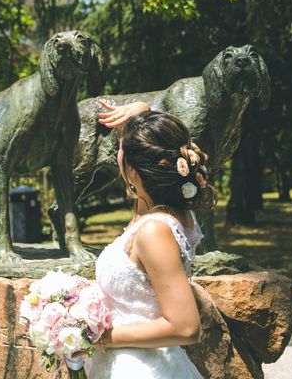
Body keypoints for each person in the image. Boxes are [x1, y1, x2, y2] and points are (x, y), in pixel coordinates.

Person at [86, 100, 214, 378]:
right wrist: (144, 109)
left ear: (132, 171)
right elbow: (170, 141)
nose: (117, 155)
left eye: (120, 150)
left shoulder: (154, 231)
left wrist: (100, 338)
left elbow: (185, 326)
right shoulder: (171, 212)